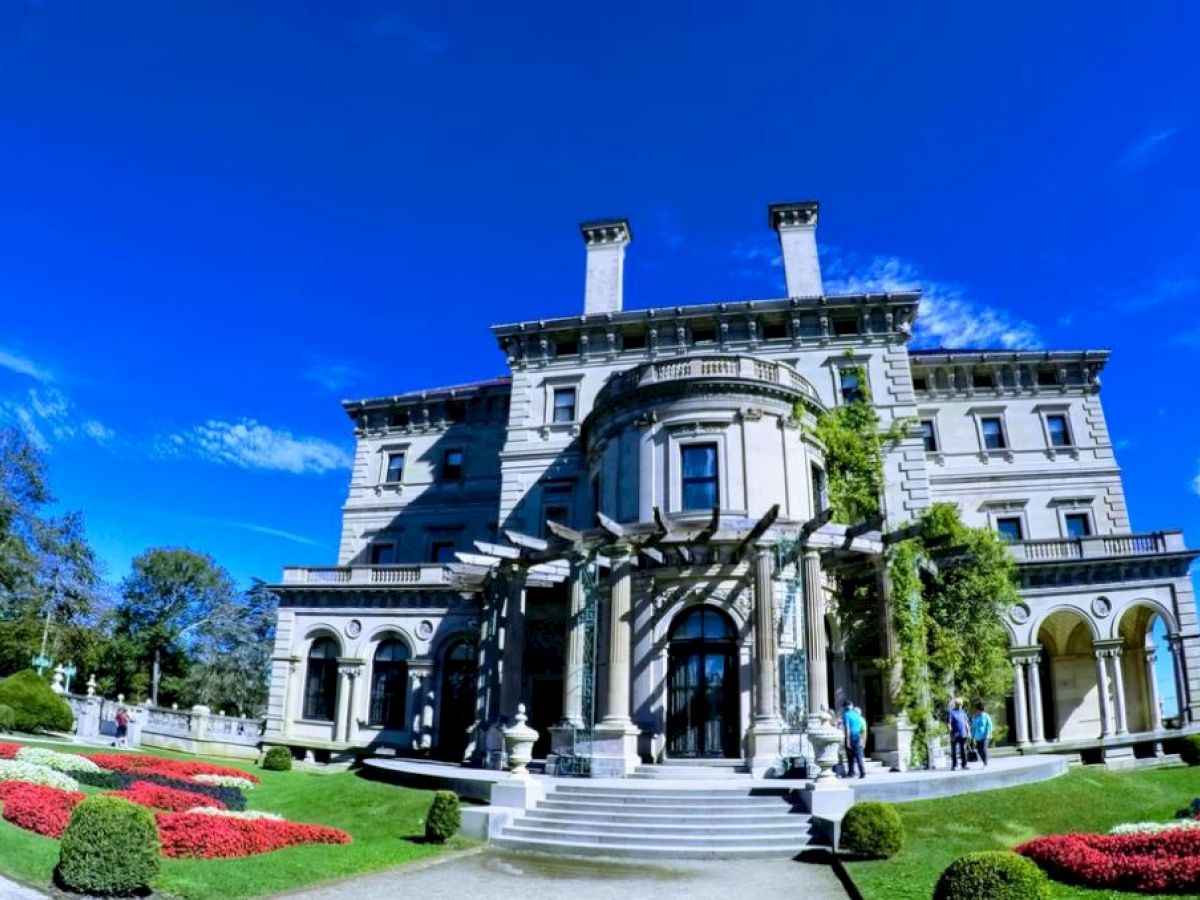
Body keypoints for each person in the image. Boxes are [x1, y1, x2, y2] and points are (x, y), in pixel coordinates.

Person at [841, 701, 867, 779]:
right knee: (858, 755)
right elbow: (860, 726)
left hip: (851, 736)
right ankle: (862, 772)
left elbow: (847, 727)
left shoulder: (846, 715)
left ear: (845, 707)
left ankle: (851, 772)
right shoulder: (856, 714)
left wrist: (848, 740)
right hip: (857, 735)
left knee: (850, 756)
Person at [947, 698, 970, 771]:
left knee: (963, 750)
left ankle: (964, 765)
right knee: (954, 750)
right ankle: (954, 765)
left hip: (963, 733)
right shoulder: (951, 712)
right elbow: (949, 723)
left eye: (960, 704)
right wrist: (950, 732)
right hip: (955, 734)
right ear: (955, 704)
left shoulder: (963, 712)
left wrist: (968, 731)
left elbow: (966, 722)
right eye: (958, 704)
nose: (959, 706)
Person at [971, 702, 993, 768]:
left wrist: (988, 733)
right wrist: (972, 737)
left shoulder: (986, 716)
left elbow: (990, 725)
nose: (975, 710)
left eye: (976, 709)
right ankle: (984, 762)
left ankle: (985, 764)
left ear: (980, 709)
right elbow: (973, 728)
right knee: (979, 751)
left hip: (986, 736)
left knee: (984, 749)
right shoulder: (975, 717)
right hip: (978, 737)